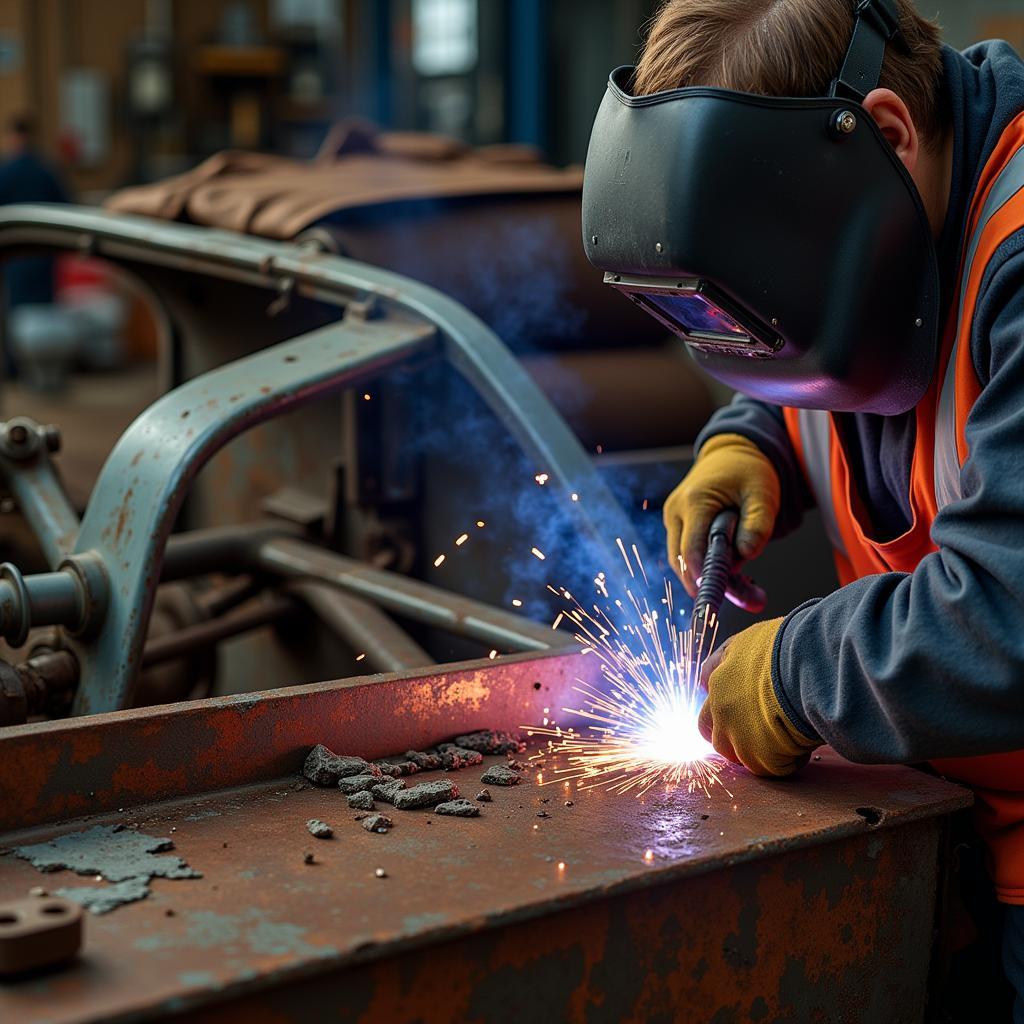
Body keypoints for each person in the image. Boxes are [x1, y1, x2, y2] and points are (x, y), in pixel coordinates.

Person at [581, 0, 1024, 1016]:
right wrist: (751, 438)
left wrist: (793, 672)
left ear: (886, 132)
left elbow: (1011, 615)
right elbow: (822, 321)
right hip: (947, 817)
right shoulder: (877, 228)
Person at [0, 113, 70, 379]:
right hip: (44, 254)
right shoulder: (46, 170)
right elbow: (66, 207)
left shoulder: (6, 171)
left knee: (15, 312)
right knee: (45, 311)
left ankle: (15, 368)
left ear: (12, 137)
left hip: (12, 256)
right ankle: (46, 373)